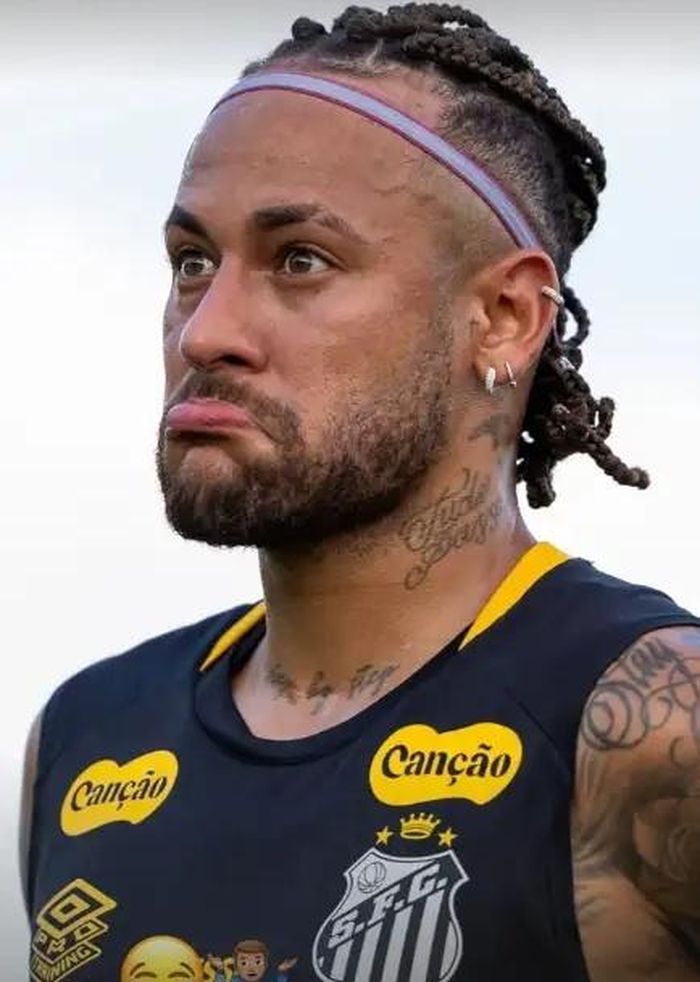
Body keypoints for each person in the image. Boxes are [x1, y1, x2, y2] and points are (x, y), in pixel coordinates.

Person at [20, 4, 700, 981]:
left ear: (505, 317)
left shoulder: (647, 726)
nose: (205, 331)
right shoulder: (84, 737)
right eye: (193, 262)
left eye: (300, 260)